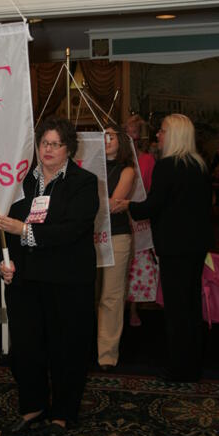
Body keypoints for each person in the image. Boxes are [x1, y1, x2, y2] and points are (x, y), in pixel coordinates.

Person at [0, 116, 99, 433]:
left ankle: (63, 413)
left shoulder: (84, 182)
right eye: (44, 143)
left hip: (67, 282)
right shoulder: (19, 181)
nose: (48, 149)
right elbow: (1, 231)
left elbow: (70, 231)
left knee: (67, 350)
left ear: (69, 148)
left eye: (56, 143)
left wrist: (24, 230)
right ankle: (33, 407)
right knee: (27, 349)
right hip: (25, 282)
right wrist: (3, 261)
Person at [113, 114, 214, 382]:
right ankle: (193, 364)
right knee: (191, 307)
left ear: (176, 135)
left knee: (177, 310)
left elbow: (152, 205)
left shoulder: (167, 166)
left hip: (174, 247)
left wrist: (127, 206)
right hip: (195, 248)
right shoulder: (199, 165)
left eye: (163, 131)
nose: (158, 134)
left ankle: (178, 368)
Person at [97, 122, 135, 371]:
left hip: (117, 237)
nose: (105, 139)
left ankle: (107, 355)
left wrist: (89, 203)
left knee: (111, 296)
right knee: (86, 293)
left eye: (110, 136)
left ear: (121, 141)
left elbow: (112, 206)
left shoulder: (127, 170)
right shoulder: (91, 166)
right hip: (88, 237)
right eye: (102, 136)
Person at [124, 114, 157, 326]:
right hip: (121, 217)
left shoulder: (147, 160)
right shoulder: (119, 161)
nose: (130, 135)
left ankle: (134, 308)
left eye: (134, 132)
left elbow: (152, 190)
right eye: (127, 131)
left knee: (137, 266)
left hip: (140, 220)